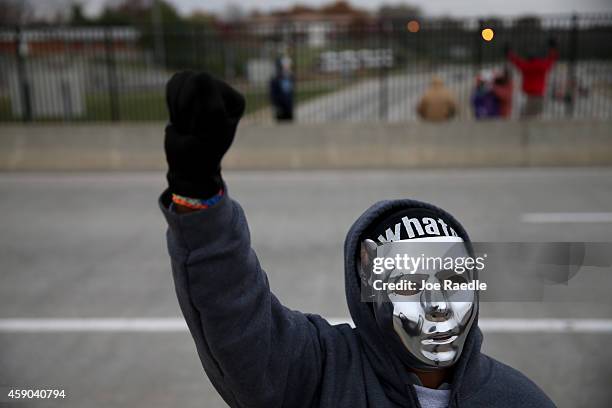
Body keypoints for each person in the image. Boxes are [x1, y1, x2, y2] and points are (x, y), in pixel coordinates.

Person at [160, 71, 556, 408]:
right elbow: (240, 325)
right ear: (371, 288)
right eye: (409, 284)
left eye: (453, 282)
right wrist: (199, 195)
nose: (437, 307)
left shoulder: (518, 399)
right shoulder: (321, 374)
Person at [506, 39, 558, 118]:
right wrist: (552, 48)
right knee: (535, 117)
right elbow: (552, 59)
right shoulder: (542, 66)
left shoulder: (526, 66)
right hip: (539, 96)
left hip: (529, 96)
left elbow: (516, 61)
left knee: (526, 118)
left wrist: (509, 52)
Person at [269, 56, 295, 122]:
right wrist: (276, 105)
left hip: (289, 106)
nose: (288, 66)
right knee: (281, 124)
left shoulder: (290, 77)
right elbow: (273, 94)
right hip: (280, 107)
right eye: (286, 65)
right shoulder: (275, 79)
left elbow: (291, 91)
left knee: (290, 123)